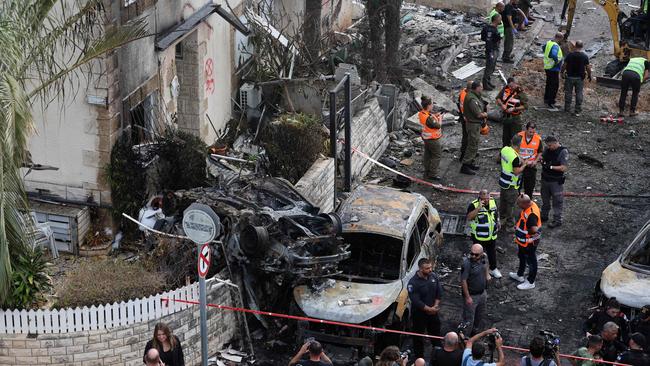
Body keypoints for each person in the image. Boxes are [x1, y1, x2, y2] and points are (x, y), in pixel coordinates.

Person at [408, 258, 443, 358]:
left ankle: (438, 354)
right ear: (420, 269)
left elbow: (439, 292)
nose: (430, 270)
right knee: (418, 337)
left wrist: (435, 306)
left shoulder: (433, 276)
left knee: (436, 333)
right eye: (427, 268)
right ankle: (419, 358)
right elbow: (416, 301)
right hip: (419, 314)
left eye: (431, 267)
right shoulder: (413, 283)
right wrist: (429, 309)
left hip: (433, 312)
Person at [467, 190, 502, 278]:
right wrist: (478, 208)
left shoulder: (493, 201)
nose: (486, 201)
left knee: (492, 252)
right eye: (483, 199)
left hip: (491, 235)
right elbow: (469, 217)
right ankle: (477, 270)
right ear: (479, 197)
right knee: (477, 254)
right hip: (479, 236)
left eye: (487, 198)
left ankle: (493, 269)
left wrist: (498, 221)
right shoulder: (473, 205)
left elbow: (496, 212)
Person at [509, 194, 541, 290]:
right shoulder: (531, 204)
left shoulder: (531, 214)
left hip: (529, 243)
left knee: (531, 261)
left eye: (519, 204)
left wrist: (528, 231)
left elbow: (534, 229)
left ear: (525, 203)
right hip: (523, 242)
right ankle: (520, 275)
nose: (518, 206)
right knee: (522, 256)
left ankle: (531, 281)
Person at [461, 244, 490, 335]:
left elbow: (486, 265)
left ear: (481, 254)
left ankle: (474, 331)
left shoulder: (484, 257)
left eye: (476, 254)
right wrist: (467, 297)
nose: (473, 256)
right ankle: (465, 337)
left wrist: (487, 274)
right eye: (472, 254)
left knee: (480, 314)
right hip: (472, 295)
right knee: (468, 318)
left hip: (482, 293)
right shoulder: (467, 264)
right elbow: (463, 281)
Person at [499, 134, 527, 229]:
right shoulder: (515, 158)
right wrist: (524, 165)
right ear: (520, 145)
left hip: (503, 181)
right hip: (511, 184)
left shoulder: (505, 149)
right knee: (511, 204)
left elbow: (501, 159)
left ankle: (502, 218)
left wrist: (521, 159)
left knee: (502, 201)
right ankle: (510, 224)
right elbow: (516, 172)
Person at [540, 136, 568, 228]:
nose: (549, 147)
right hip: (545, 179)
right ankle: (544, 216)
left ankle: (557, 220)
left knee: (557, 201)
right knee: (545, 199)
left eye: (550, 145)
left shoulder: (563, 152)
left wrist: (550, 167)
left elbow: (563, 168)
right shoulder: (547, 149)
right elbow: (542, 157)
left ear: (556, 143)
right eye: (547, 145)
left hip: (555, 181)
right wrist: (541, 160)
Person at [461, 81, 488, 175]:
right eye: (481, 87)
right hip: (473, 125)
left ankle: (470, 162)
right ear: (476, 88)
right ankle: (465, 166)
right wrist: (486, 114)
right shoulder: (472, 99)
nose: (482, 89)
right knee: (472, 145)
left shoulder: (475, 96)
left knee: (474, 144)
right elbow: (478, 114)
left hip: (475, 125)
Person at [561, 40, 592, 116]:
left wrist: (562, 72)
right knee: (579, 93)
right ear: (582, 47)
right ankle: (577, 109)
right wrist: (589, 75)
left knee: (568, 93)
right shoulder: (584, 56)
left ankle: (567, 108)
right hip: (579, 78)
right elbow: (588, 67)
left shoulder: (570, 55)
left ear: (575, 46)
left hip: (569, 77)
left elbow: (564, 65)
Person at [496, 78, 528, 148]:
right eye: (509, 86)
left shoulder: (520, 92)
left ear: (515, 83)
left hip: (515, 118)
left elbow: (525, 106)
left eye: (512, 86)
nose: (511, 88)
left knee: (516, 137)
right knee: (505, 137)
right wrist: (502, 105)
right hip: (506, 117)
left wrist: (514, 108)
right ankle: (504, 151)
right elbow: (498, 98)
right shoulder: (505, 89)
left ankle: (515, 153)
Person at [419, 96, 443, 180]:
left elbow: (429, 119)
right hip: (432, 139)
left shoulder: (422, 113)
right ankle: (433, 174)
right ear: (428, 105)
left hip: (426, 138)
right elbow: (437, 125)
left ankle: (427, 171)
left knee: (428, 155)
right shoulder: (428, 118)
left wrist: (435, 116)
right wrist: (440, 118)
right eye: (432, 104)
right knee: (437, 155)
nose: (432, 105)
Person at [517, 123, 543, 198]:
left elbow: (540, 151)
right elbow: (514, 149)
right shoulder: (519, 136)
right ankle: (517, 200)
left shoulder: (538, 139)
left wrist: (535, 161)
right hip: (519, 164)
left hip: (531, 166)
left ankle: (528, 200)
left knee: (529, 186)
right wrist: (522, 161)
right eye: (530, 132)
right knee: (516, 185)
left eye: (533, 132)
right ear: (526, 130)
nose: (532, 134)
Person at [543, 32, 565, 109]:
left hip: (547, 66)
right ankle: (551, 102)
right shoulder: (555, 46)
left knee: (548, 83)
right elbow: (553, 54)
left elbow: (543, 47)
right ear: (560, 38)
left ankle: (546, 99)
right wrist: (556, 61)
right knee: (554, 85)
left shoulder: (549, 42)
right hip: (553, 68)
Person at [482, 13, 502, 91]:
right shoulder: (491, 29)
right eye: (500, 19)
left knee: (492, 67)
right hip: (492, 50)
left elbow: (483, 38)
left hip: (494, 49)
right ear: (496, 19)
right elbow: (488, 41)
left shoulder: (490, 28)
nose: (501, 20)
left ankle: (488, 81)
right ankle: (485, 84)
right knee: (489, 67)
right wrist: (490, 52)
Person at [458, 80, 473, 162]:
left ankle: (465, 152)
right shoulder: (467, 97)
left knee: (466, 136)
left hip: (463, 117)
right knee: (467, 137)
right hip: (467, 119)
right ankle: (464, 153)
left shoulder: (463, 92)